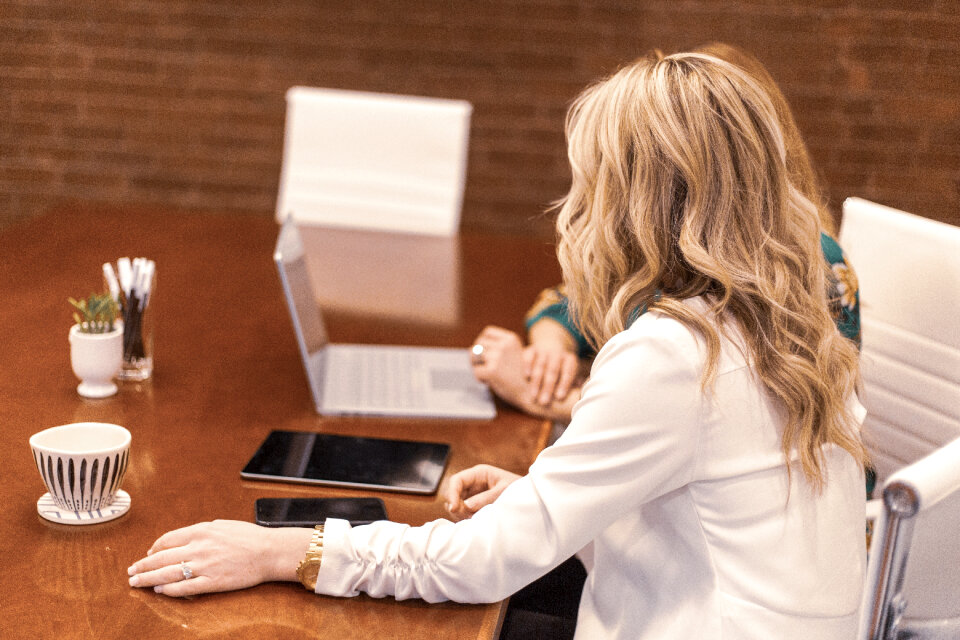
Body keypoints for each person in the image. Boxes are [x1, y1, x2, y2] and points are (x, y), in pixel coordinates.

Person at [127, 51, 869, 639]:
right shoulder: (785, 316)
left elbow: (482, 565)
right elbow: (715, 515)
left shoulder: (675, 354)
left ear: (632, 203)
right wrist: (551, 499)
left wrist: (283, 550)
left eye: (589, 182)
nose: (574, 203)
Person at [472, 42, 861, 424]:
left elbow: (717, 425)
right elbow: (573, 297)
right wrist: (550, 349)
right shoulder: (679, 252)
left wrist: (534, 394)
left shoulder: (806, 265)